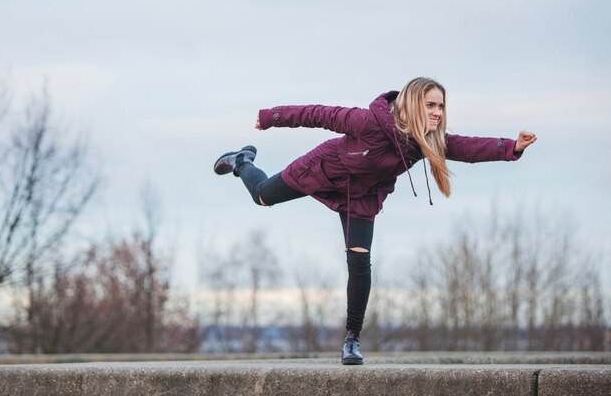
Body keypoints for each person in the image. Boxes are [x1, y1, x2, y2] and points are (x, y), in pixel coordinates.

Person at [213, 77, 537, 365]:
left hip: (360, 196)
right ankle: (242, 161)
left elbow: (466, 147)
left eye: (440, 106)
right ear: (412, 104)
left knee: (359, 262)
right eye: (430, 105)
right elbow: (317, 114)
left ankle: (351, 340)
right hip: (324, 170)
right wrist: (271, 117)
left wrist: (512, 146)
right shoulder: (368, 121)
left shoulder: (422, 143)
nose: (437, 112)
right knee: (262, 196)